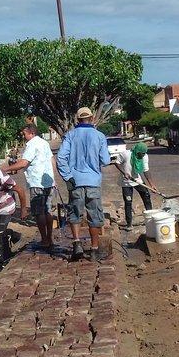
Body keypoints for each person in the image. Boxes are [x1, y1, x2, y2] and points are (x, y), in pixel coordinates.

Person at [56, 107, 111, 262]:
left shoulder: (70, 136)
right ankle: (94, 250)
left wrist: (68, 176)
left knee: (75, 214)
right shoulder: (99, 136)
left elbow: (61, 158)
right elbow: (106, 160)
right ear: (92, 118)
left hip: (75, 182)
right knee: (95, 216)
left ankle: (77, 243)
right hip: (93, 182)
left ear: (77, 120)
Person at [1, 124, 56, 249]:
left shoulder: (32, 144)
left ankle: (44, 239)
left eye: (24, 134)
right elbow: (52, 160)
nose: (23, 136)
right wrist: (54, 179)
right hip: (49, 182)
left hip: (37, 182)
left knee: (39, 212)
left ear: (31, 133)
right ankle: (49, 238)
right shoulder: (44, 143)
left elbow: (24, 162)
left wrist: (5, 169)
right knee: (48, 211)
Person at [114, 142, 160, 231]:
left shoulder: (145, 157)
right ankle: (129, 224)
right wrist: (124, 172)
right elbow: (116, 163)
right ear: (137, 151)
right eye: (140, 154)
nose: (142, 156)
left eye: (143, 154)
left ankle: (150, 219)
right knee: (128, 202)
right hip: (126, 181)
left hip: (138, 180)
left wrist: (152, 185)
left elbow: (146, 171)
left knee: (146, 197)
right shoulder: (126, 154)